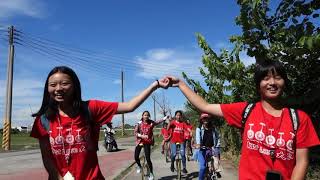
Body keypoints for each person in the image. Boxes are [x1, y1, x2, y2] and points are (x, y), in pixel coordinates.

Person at [166, 60, 320, 180]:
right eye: (266, 78)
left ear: (284, 82)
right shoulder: (245, 111)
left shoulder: (299, 119)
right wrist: (180, 84)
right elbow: (204, 106)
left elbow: (302, 162)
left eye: (278, 78)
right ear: (258, 85)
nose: (272, 83)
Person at [30, 66, 169, 180]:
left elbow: (129, 106)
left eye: (64, 83)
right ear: (47, 89)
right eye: (52, 85)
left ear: (75, 86)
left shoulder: (91, 108)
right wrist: (59, 178)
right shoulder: (43, 119)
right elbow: (46, 158)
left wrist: (155, 85)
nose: (58, 88)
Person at [134, 111, 168, 180]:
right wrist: (141, 135)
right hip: (140, 141)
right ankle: (139, 166)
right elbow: (135, 132)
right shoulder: (139, 123)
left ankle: (151, 173)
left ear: (149, 116)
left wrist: (164, 119)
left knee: (148, 158)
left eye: (147, 115)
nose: (146, 116)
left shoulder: (151, 123)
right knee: (136, 156)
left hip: (147, 142)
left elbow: (157, 122)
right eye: (144, 115)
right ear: (142, 116)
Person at [195, 113, 222, 179]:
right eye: (204, 118)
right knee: (203, 167)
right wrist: (198, 144)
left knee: (216, 160)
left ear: (209, 119)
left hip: (212, 148)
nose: (205, 119)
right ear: (201, 120)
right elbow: (198, 137)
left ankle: (216, 171)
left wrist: (217, 146)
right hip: (202, 149)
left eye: (206, 118)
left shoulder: (213, 128)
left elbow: (218, 136)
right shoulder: (198, 129)